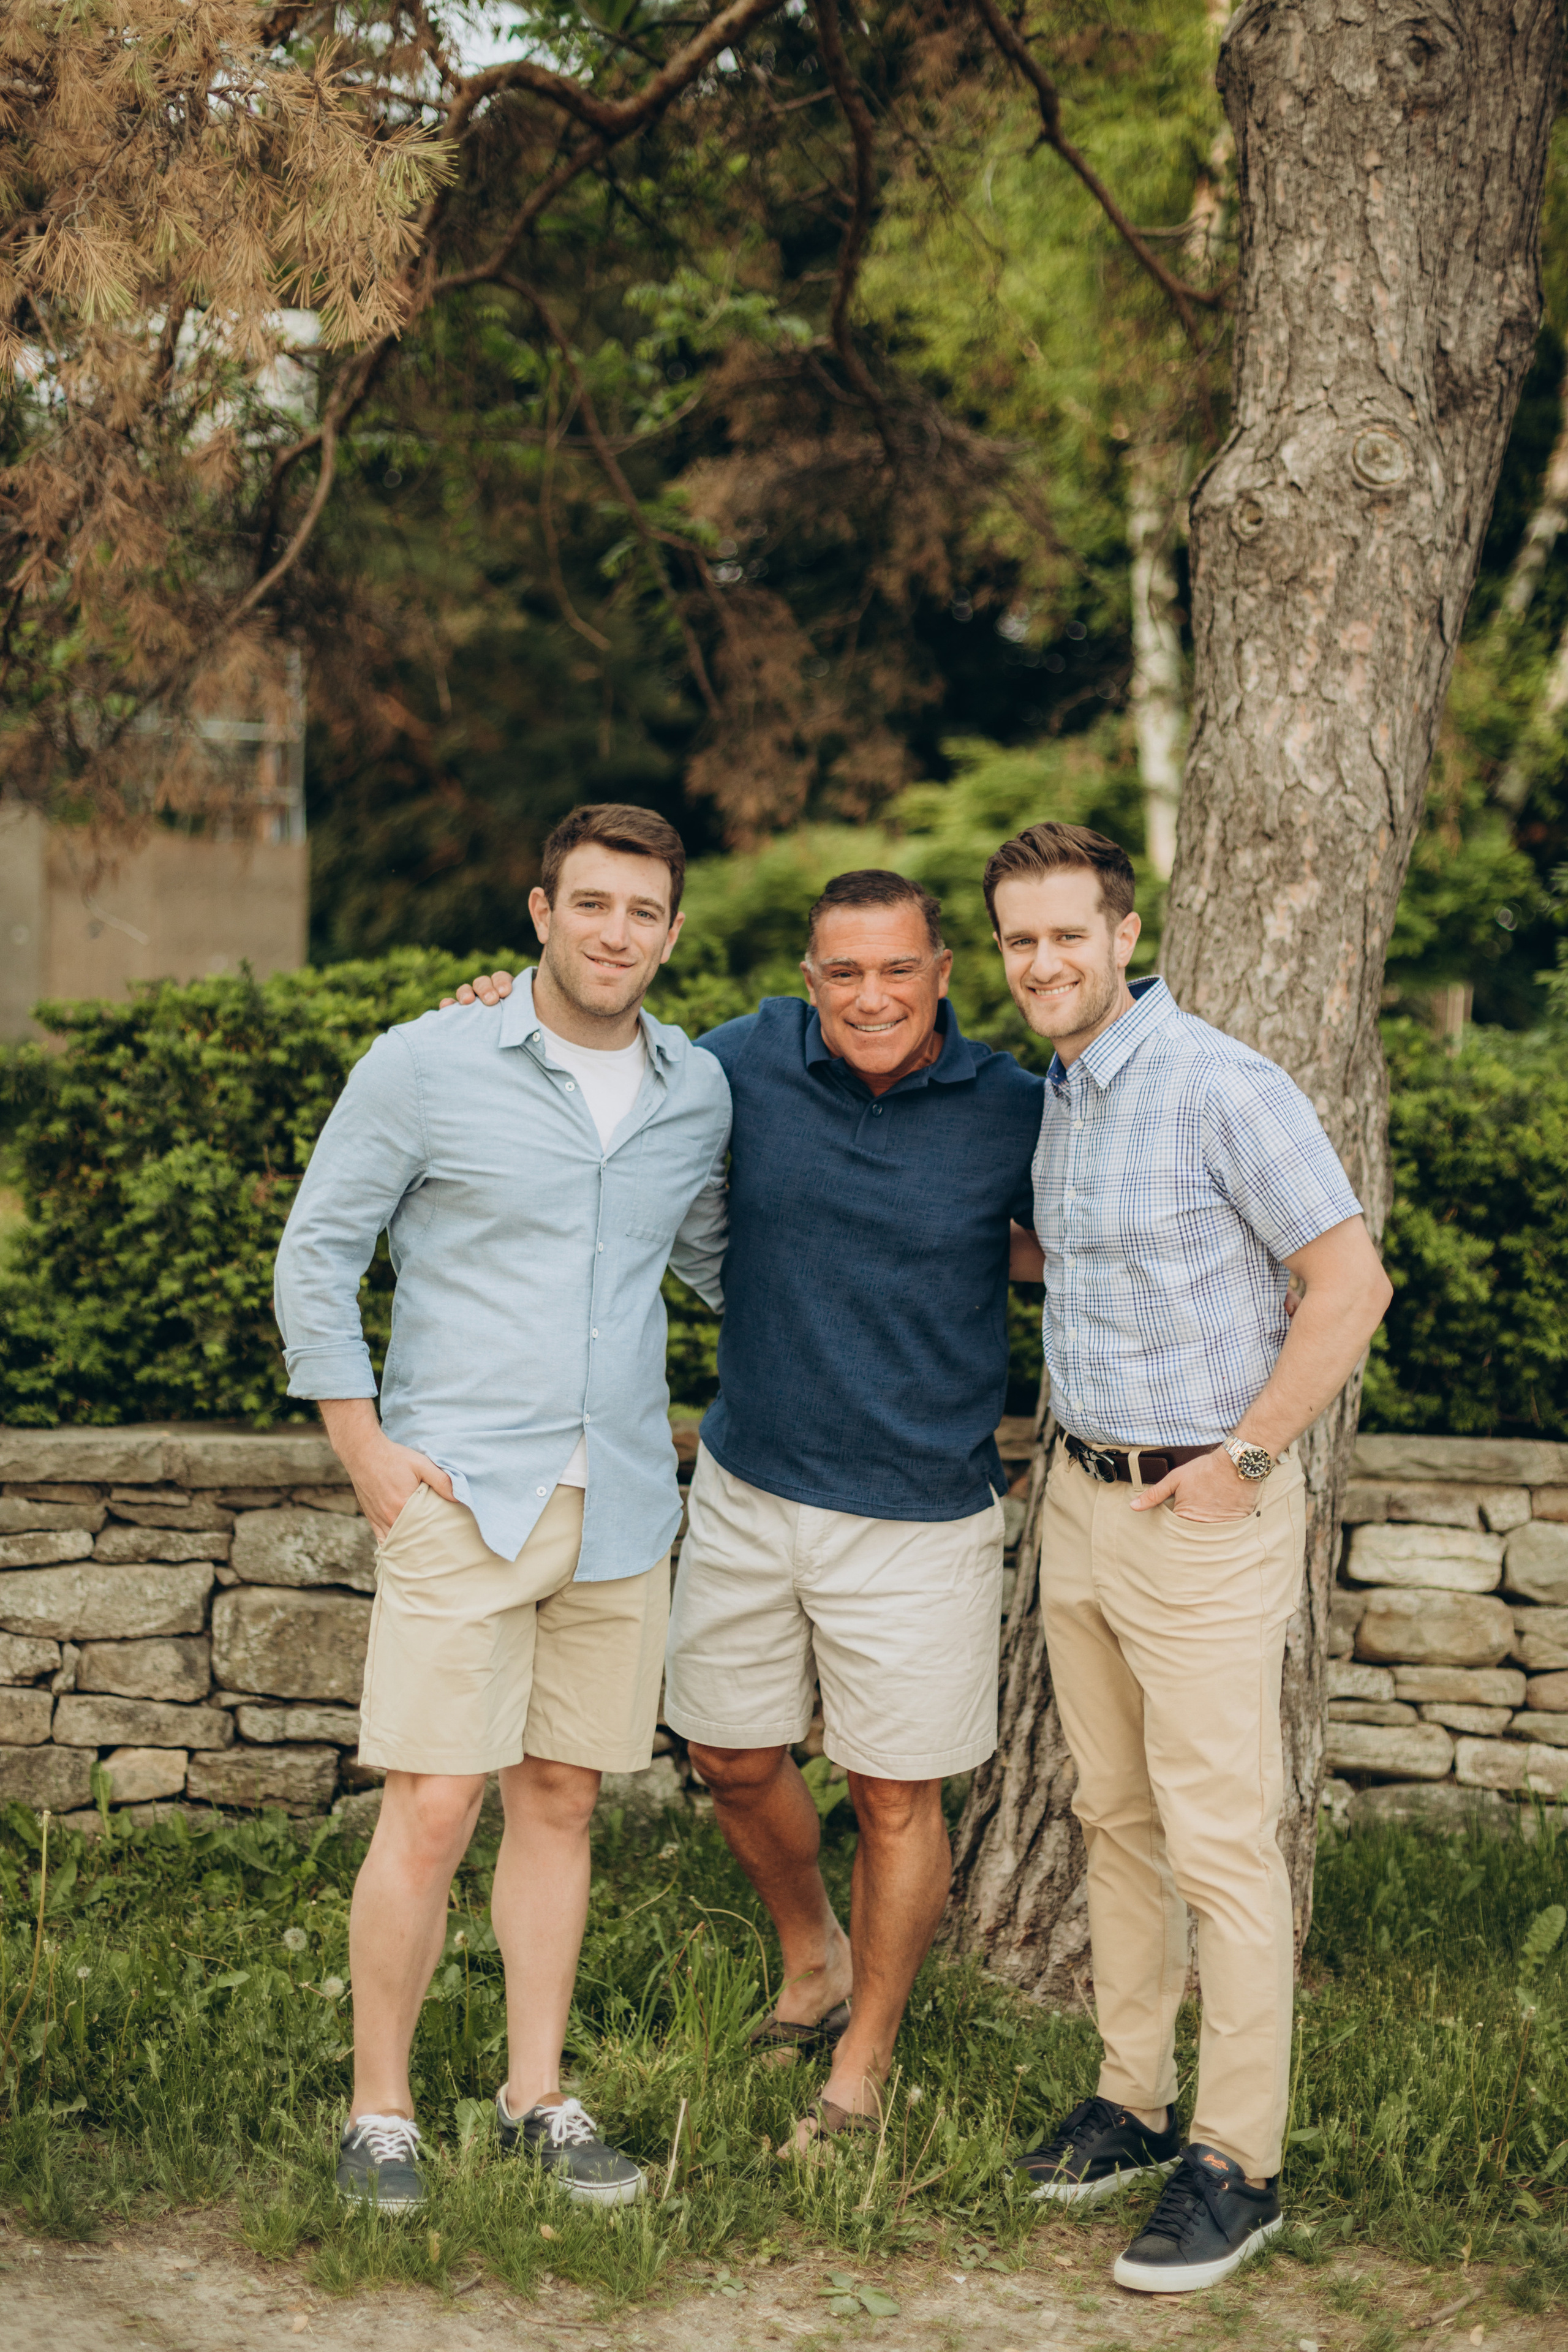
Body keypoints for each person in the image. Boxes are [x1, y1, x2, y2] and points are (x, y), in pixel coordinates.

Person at [451, 870, 1046, 2148]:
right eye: (843, 972)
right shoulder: (741, 1064)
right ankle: (812, 1952)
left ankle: (865, 2061)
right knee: (728, 1756)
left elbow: (1084, 1240)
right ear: (807, 977)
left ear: (943, 974)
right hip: (747, 1479)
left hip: (920, 1508)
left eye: (898, 970)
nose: (870, 997)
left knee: (894, 1798)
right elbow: (597, 1063)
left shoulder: (1011, 1111)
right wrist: (503, 1010)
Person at [273, 802, 732, 2212]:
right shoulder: (425, 1062)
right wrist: (367, 1457)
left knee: (561, 1800)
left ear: (669, 931)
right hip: (462, 1496)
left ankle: (536, 2095)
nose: (617, 934)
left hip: (620, 1503)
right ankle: (379, 2114)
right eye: (590, 904)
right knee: (432, 1803)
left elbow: (723, 1265)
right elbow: (316, 1256)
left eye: (643, 912)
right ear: (539, 913)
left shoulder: (694, 1089)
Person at [991, 822, 1392, 2293]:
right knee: (1110, 1814)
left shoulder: (1219, 1083)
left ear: (1119, 931)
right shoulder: (1065, 1094)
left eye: (1063, 937)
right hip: (1082, 1503)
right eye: (1017, 942)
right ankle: (1135, 2101)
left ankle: (1240, 2162)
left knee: (1221, 1844)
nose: (1039, 964)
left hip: (1198, 1509)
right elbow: (1085, 1256)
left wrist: (1241, 1459)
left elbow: (1347, 1283)